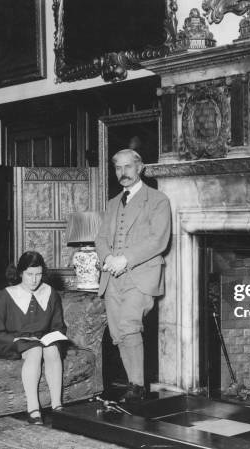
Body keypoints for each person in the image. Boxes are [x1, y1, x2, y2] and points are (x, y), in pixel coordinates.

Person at [95, 149, 171, 404]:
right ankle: (133, 384)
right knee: (118, 333)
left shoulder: (158, 200)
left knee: (129, 325)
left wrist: (124, 259)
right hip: (111, 277)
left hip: (141, 276)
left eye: (128, 167)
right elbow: (102, 238)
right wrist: (107, 258)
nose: (123, 173)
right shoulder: (113, 202)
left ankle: (137, 385)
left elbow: (158, 240)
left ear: (140, 168)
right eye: (118, 168)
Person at [0, 251, 66, 425]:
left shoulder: (50, 293)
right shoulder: (7, 294)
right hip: (16, 341)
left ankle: (57, 406)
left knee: (51, 349)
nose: (34, 279)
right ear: (20, 273)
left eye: (38, 274)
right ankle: (33, 408)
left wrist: (53, 337)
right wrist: (15, 340)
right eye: (29, 274)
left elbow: (59, 326)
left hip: (43, 338)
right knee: (35, 350)